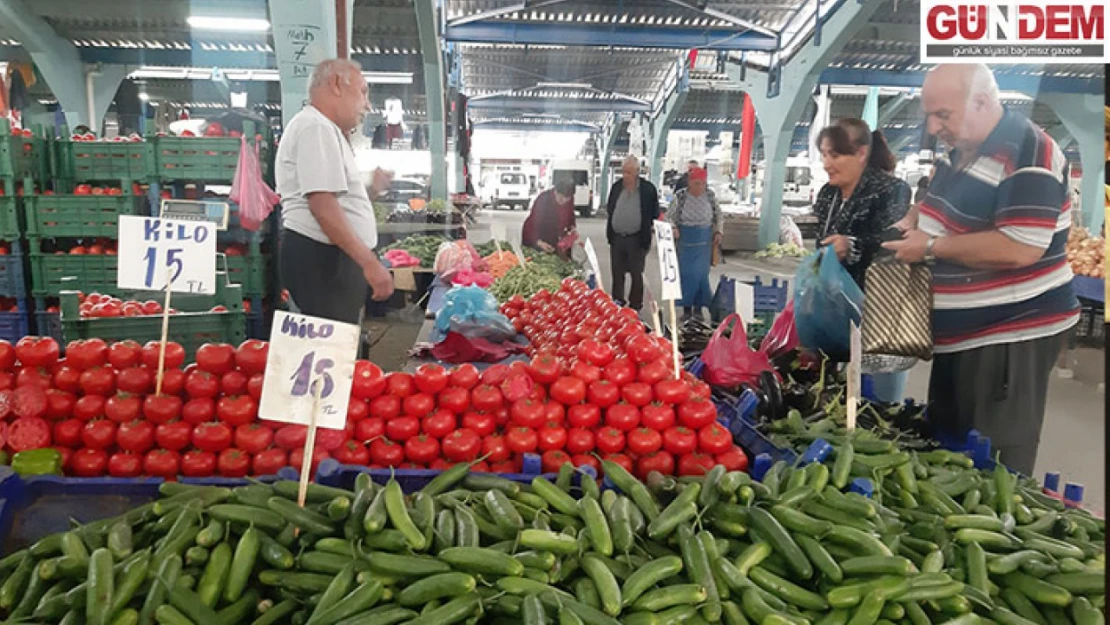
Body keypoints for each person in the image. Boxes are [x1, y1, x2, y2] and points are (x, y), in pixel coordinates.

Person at [884, 64, 1079, 475]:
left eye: (943, 115)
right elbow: (946, 207)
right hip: (964, 339)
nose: (933, 126)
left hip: (1008, 336)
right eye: (929, 115)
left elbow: (1019, 247)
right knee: (950, 451)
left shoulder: (1029, 153)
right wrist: (915, 220)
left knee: (992, 461)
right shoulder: (964, 150)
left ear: (982, 102)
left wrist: (931, 247)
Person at [276, 58, 395, 325]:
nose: (367, 104)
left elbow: (333, 201)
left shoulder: (324, 129)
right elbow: (322, 204)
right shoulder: (315, 127)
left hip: (327, 257)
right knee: (328, 350)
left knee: (335, 348)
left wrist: (370, 191)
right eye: (363, 92)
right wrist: (369, 263)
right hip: (322, 259)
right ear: (337, 84)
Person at [813, 118, 912, 403]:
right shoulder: (827, 194)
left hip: (877, 312)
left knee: (877, 406)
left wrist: (852, 245)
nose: (826, 163)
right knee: (835, 401)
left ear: (861, 153)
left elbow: (894, 245)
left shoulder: (890, 190)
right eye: (823, 154)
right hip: (836, 313)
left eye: (835, 154)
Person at [606, 156, 660, 310]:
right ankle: (617, 302)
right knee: (617, 272)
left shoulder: (648, 189)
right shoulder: (617, 187)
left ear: (637, 172)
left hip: (637, 239)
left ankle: (635, 305)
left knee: (637, 274)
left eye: (629, 172)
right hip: (617, 238)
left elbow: (655, 212)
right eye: (623, 172)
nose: (625, 176)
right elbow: (610, 208)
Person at [668, 166, 721, 319]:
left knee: (701, 276)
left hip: (704, 242)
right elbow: (669, 216)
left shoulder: (710, 196)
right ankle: (686, 310)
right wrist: (673, 228)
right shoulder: (681, 196)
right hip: (685, 241)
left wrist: (718, 231)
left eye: (703, 184)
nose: (700, 187)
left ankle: (699, 309)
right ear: (690, 183)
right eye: (697, 183)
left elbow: (719, 215)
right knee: (686, 275)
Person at [522, 177, 577, 258]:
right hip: (540, 238)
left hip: (557, 240)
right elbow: (532, 223)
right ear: (555, 191)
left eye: (567, 199)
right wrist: (539, 242)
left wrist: (572, 228)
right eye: (561, 197)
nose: (563, 201)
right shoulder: (544, 199)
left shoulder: (569, 200)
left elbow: (570, 216)